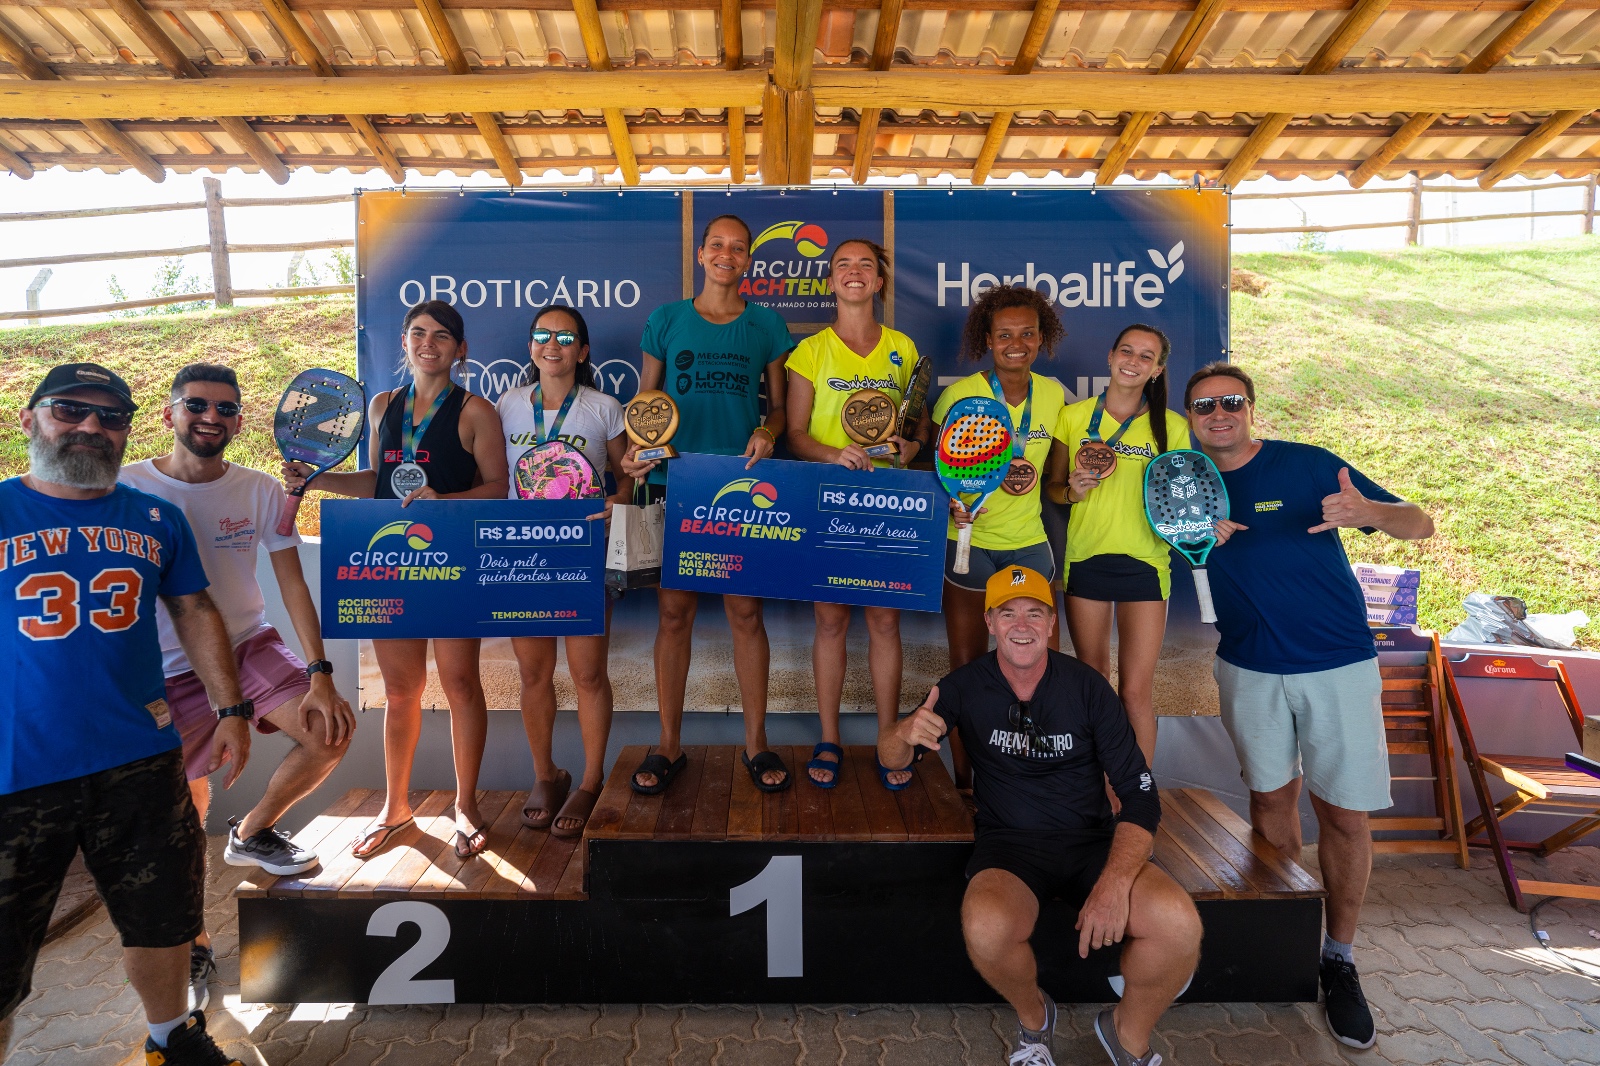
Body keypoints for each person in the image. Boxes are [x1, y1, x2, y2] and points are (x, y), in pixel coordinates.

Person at [1, 362, 256, 1066]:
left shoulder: (154, 517)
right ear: (29, 420)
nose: (89, 426)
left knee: (164, 920)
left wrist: (230, 706)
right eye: (69, 410)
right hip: (15, 771)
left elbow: (195, 608)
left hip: (137, 761)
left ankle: (171, 1039)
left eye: (110, 416)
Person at [1184, 362, 1434, 1049]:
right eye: (1205, 406)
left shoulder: (1311, 465)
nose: (1219, 413)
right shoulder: (1186, 484)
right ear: (1191, 418)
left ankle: (1339, 959)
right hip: (1247, 667)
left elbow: (1421, 523)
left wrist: (1370, 514)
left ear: (1251, 408)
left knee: (1343, 815)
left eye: (1231, 402)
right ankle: (1284, 937)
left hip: (1338, 665)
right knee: (1269, 804)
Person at [880, 566, 1201, 1066]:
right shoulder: (963, 686)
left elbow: (1141, 797)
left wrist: (1115, 884)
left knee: (1179, 926)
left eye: (1034, 612)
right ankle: (1035, 1022)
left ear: (1052, 624)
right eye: (1008, 613)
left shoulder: (1088, 688)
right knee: (985, 927)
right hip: (1010, 847)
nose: (1021, 624)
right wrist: (902, 734)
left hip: (1091, 843)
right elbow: (892, 759)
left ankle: (1127, 1037)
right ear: (990, 622)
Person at [121, 363, 357, 1012]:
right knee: (179, 822)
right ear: (168, 414)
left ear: (239, 422)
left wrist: (320, 671)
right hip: (165, 670)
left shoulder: (257, 490)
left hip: (250, 646)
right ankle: (192, 946)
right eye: (196, 404)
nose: (211, 417)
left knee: (328, 732)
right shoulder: (124, 487)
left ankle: (251, 832)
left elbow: (290, 581)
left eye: (226, 409)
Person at [284, 300, 510, 860]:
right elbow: (379, 484)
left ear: (461, 349)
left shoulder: (476, 410)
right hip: (392, 566)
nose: (426, 342)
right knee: (401, 691)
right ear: (404, 343)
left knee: (460, 686)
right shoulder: (385, 406)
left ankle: (466, 805)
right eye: (416, 333)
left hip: (455, 562)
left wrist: (445, 499)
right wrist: (319, 480)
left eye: (440, 335)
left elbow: (499, 488)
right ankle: (396, 807)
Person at [623, 214, 793, 795]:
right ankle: (668, 745)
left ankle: (756, 742)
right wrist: (638, 455)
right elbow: (646, 406)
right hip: (677, 483)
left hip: (739, 484)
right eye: (717, 245)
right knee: (675, 616)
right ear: (701, 254)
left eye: (739, 248)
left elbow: (777, 409)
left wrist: (769, 433)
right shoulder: (665, 320)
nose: (728, 254)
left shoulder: (767, 324)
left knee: (747, 615)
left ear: (749, 260)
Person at [785, 238, 928, 789]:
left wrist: (911, 450)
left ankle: (889, 737)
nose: (853, 272)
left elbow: (917, 428)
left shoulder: (904, 349)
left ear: (879, 283)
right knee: (830, 620)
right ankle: (829, 736)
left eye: (865, 265)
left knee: (885, 621)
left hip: (887, 501)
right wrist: (832, 453)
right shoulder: (811, 351)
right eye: (842, 264)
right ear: (830, 282)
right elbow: (795, 435)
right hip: (826, 499)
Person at [496, 305, 631, 837]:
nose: (552, 345)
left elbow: (629, 482)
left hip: (582, 553)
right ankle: (547, 775)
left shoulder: (603, 407)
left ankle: (592, 780)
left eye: (565, 337)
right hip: (519, 554)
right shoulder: (504, 405)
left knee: (588, 674)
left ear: (583, 349)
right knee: (533, 674)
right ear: (530, 346)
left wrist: (619, 501)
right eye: (542, 336)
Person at [932, 285, 1070, 792]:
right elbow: (936, 467)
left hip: (1029, 543)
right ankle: (970, 784)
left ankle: (1041, 781)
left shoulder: (1053, 395)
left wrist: (1074, 487)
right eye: (1005, 334)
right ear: (987, 339)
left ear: (1042, 339)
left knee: (1040, 668)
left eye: (1027, 334)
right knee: (969, 668)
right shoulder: (959, 395)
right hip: (965, 541)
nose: (1017, 343)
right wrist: (951, 497)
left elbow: (1054, 479)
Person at [1045, 325, 1190, 766]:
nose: (1133, 361)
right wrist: (1072, 491)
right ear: (1110, 357)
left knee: (1134, 692)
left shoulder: (1174, 427)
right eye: (1126, 351)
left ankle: (1138, 792)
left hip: (1146, 564)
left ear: (1158, 369)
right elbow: (1052, 488)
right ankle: (1094, 785)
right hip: (1086, 558)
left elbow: (1183, 499)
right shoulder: (1073, 418)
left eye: (1146, 357)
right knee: (1093, 681)